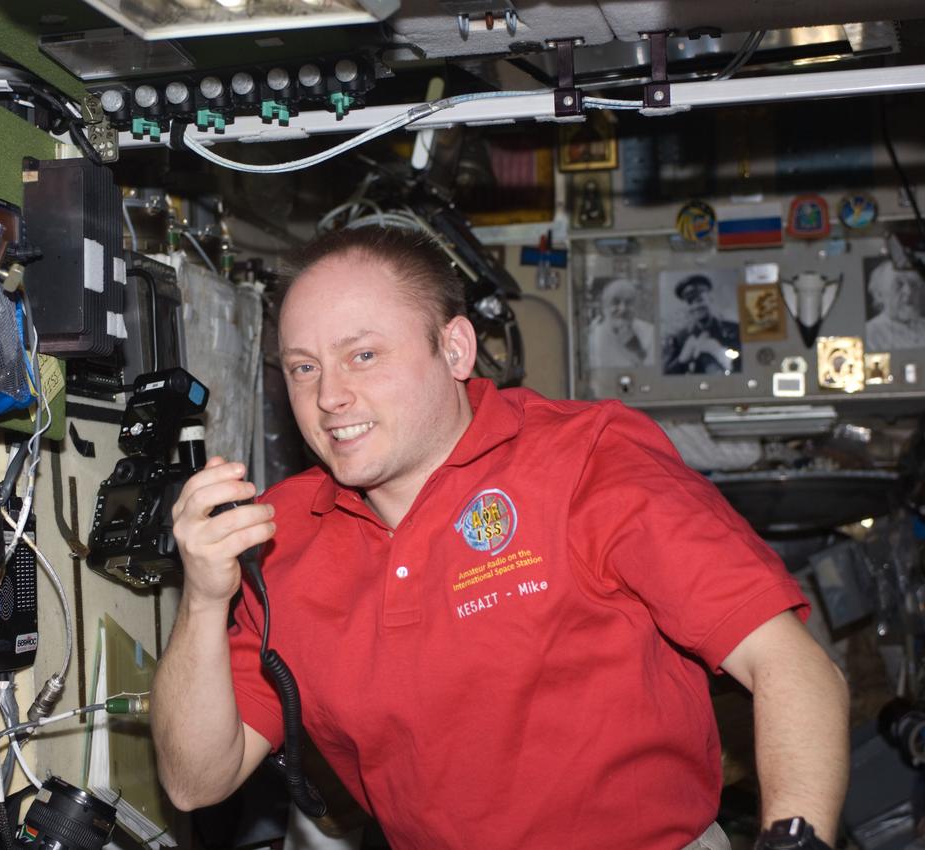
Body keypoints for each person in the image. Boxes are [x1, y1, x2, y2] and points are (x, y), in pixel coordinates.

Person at [152, 228, 848, 850]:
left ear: (454, 348)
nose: (329, 395)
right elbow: (196, 781)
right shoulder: (282, 536)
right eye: (304, 367)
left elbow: (790, 665)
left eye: (362, 355)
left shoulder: (586, 462)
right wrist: (205, 602)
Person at [661, 274, 742, 375]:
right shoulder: (680, 338)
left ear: (710, 299)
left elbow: (750, 364)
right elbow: (665, 375)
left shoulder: (735, 329)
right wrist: (682, 359)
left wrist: (720, 352)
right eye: (690, 303)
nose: (696, 306)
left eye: (700, 300)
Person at [587, 277, 654, 368]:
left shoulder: (650, 333)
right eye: (615, 302)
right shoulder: (593, 337)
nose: (623, 309)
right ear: (604, 306)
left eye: (629, 302)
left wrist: (638, 351)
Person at [865, 260, 925, 351]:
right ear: (879, 294)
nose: (909, 292)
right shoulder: (869, 334)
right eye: (899, 284)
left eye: (914, 284)